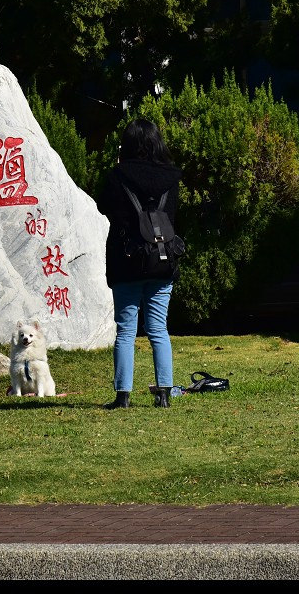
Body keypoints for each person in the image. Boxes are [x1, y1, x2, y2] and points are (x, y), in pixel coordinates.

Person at [98, 118, 182, 408]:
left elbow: (102, 206)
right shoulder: (172, 177)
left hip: (127, 261)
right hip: (162, 260)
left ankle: (123, 396)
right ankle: (164, 394)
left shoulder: (117, 175)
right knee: (159, 327)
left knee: (126, 330)